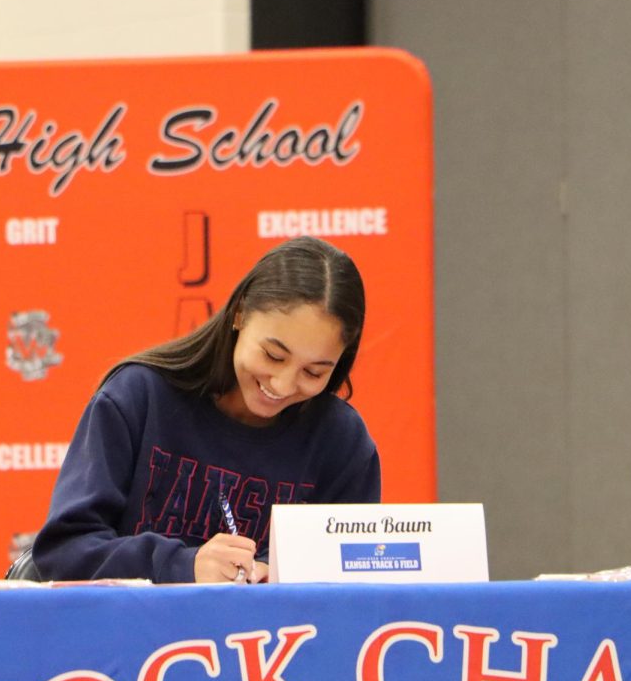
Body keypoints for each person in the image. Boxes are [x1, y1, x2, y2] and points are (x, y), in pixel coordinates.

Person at [29, 235, 381, 583]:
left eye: (314, 372)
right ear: (240, 313)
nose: (283, 385)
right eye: (273, 356)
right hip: (133, 637)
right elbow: (65, 549)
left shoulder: (341, 442)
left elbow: (352, 581)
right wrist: (184, 566)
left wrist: (275, 576)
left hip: (272, 639)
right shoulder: (139, 398)